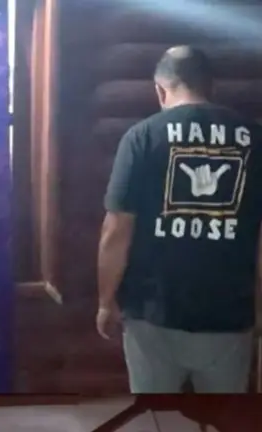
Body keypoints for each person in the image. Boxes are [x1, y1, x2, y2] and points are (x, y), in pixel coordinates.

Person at [96, 45, 262, 393]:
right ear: (210, 85)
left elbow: (116, 231)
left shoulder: (142, 137)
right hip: (230, 314)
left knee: (155, 415)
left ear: (160, 89)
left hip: (152, 313)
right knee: (223, 415)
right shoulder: (256, 140)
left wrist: (106, 302)